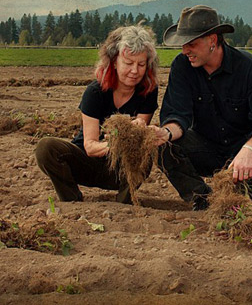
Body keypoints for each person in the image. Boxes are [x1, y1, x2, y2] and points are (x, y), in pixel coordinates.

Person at [152, 5, 252, 210]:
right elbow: (178, 115)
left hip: (244, 148)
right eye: (183, 44)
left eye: (191, 44)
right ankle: (202, 200)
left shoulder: (248, 68)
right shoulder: (182, 67)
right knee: (161, 147)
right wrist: (165, 133)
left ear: (212, 40)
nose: (185, 51)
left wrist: (248, 149)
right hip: (205, 147)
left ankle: (241, 198)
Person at [35, 25, 159, 204]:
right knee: (46, 148)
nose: (135, 71)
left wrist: (138, 128)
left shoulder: (148, 91)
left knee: (146, 150)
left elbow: (140, 126)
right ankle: (71, 199)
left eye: (141, 64)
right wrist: (115, 142)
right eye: (129, 63)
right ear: (114, 62)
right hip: (86, 162)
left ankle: (125, 201)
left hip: (118, 169)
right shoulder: (95, 92)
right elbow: (90, 146)